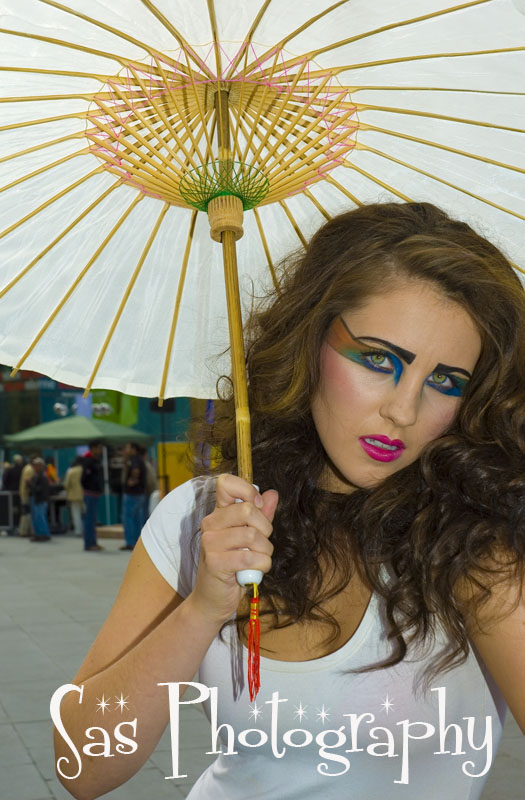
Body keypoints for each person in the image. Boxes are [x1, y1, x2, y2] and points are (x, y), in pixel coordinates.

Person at [53, 203, 524, 799]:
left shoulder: (476, 544)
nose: (404, 410)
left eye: (444, 381)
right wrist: (201, 609)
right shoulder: (201, 518)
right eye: (379, 359)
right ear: (310, 340)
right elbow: (82, 768)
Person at [120, 442, 147, 551]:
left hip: (133, 493)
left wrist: (132, 480)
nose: (126, 450)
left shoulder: (134, 460)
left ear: (133, 449)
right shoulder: (140, 460)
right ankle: (136, 542)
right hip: (140, 493)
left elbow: (135, 470)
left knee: (129, 518)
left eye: (127, 448)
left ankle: (130, 542)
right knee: (137, 519)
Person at [80, 441, 104, 552]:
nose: (100, 450)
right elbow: (83, 479)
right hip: (89, 494)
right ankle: (89, 543)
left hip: (94, 494)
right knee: (89, 519)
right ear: (93, 448)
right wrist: (89, 488)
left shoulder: (96, 461)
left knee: (93, 519)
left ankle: (93, 542)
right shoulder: (88, 461)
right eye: (98, 448)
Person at [28, 458, 51, 542]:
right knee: (36, 518)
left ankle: (44, 534)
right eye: (34, 466)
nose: (35, 467)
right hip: (36, 499)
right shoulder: (36, 476)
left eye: (37, 466)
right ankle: (38, 534)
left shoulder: (43, 477)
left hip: (40, 500)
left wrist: (30, 483)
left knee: (40, 517)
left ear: (41, 466)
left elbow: (39, 489)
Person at [64, 456, 85, 536]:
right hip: (85, 494)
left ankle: (78, 531)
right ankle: (87, 529)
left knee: (76, 513)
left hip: (74, 495)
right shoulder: (84, 469)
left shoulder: (71, 471)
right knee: (86, 513)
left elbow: (66, 484)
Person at [18, 454, 36, 538]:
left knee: (26, 512)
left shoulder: (26, 467)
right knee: (27, 512)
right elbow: (27, 481)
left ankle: (25, 530)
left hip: (23, 492)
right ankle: (24, 531)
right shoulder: (30, 469)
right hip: (26, 493)